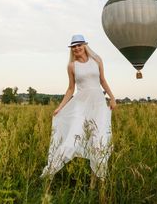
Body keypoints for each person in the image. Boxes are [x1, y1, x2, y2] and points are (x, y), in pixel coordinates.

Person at [41, 34, 116, 180]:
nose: (77, 48)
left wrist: (112, 98)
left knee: (98, 140)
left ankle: (99, 179)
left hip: (99, 104)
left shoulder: (97, 60)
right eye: (74, 46)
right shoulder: (72, 66)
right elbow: (70, 89)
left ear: (85, 45)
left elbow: (102, 80)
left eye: (79, 45)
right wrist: (60, 107)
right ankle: (49, 173)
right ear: (72, 49)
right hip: (80, 105)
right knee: (71, 138)